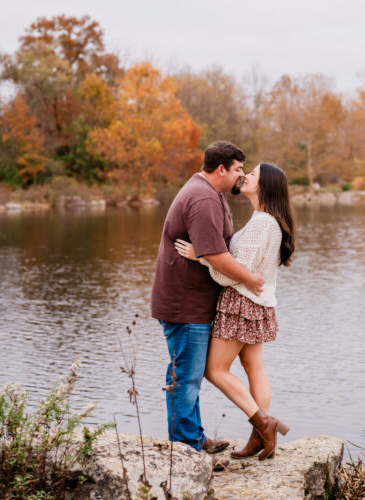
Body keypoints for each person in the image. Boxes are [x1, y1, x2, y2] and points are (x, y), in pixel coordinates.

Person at [150, 141, 265, 462]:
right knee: (185, 375)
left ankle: (194, 437)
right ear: (221, 169)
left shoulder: (208, 193)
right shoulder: (202, 198)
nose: (241, 176)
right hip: (185, 304)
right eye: (238, 169)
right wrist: (249, 277)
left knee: (189, 371)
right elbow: (215, 254)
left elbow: (213, 250)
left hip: (191, 302)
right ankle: (186, 449)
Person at [174, 162, 295, 460]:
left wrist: (201, 257)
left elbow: (233, 274)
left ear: (264, 185)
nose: (245, 176)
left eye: (251, 174)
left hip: (241, 303)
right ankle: (260, 436)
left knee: (214, 370)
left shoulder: (261, 223)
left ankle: (263, 424)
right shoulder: (267, 220)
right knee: (254, 366)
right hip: (259, 303)